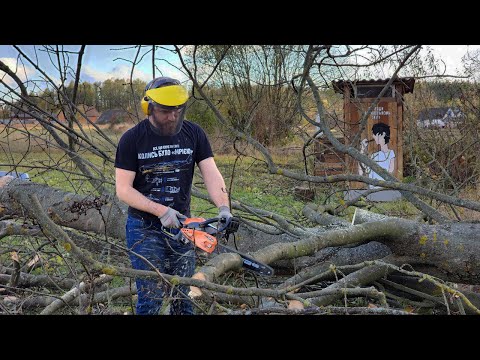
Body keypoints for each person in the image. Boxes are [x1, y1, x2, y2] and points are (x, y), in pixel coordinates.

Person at [114, 76, 232, 315]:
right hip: (144, 228)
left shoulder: (194, 134)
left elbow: (211, 173)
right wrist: (161, 211)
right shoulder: (132, 139)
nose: (172, 116)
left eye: (178, 110)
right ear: (148, 107)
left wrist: (223, 208)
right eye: (166, 111)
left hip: (183, 226)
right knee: (151, 298)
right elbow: (123, 189)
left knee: (184, 295)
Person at [359, 122, 395, 187]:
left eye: (374, 134)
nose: (373, 136)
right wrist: (362, 149)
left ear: (383, 134)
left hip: (385, 189)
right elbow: (362, 171)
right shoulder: (374, 155)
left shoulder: (391, 154)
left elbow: (391, 171)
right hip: (373, 189)